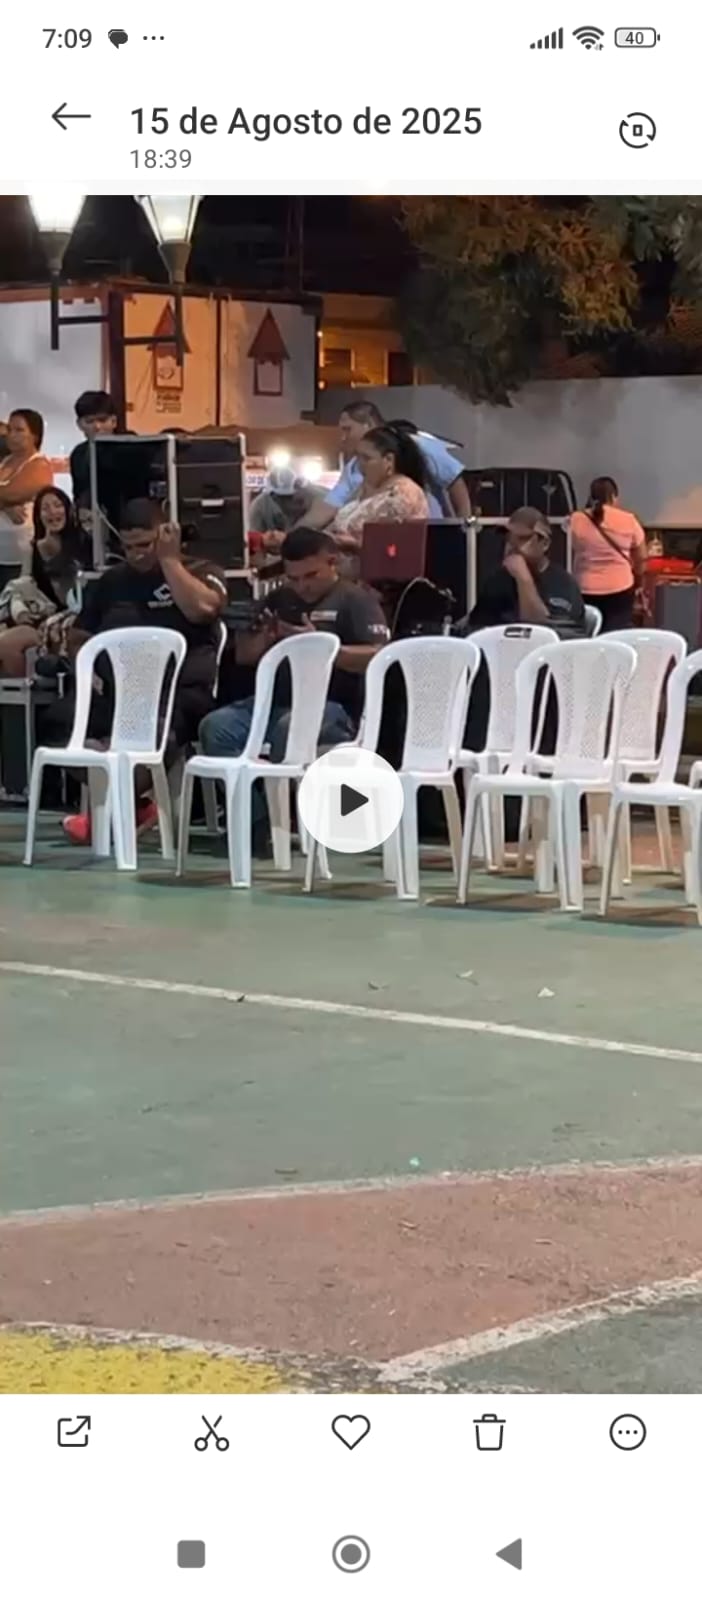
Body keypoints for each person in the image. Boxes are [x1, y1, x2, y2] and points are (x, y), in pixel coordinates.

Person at [59, 499, 227, 844]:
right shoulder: (111, 581)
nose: (136, 554)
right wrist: (87, 671)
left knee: (151, 732)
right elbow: (79, 636)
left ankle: (110, 815)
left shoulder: (201, 570)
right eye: (128, 547)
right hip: (118, 690)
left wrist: (169, 560)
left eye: (145, 545)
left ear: (165, 535)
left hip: (179, 691)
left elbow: (203, 610)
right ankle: (132, 806)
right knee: (60, 723)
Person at [199, 528, 390, 801]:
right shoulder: (281, 599)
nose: (302, 586)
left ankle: (288, 811)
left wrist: (323, 648)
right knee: (216, 727)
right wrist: (255, 634)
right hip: (275, 703)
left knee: (289, 728)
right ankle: (257, 815)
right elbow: (246, 658)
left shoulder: (355, 600)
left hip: (334, 707)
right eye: (293, 578)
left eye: (311, 576)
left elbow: (379, 656)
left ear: (332, 563)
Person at [301, 400, 471, 528]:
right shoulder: (353, 467)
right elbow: (329, 506)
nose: (343, 437)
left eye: (348, 429)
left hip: (425, 536)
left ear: (368, 425)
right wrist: (296, 535)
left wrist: (463, 530)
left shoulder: (415, 446)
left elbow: (454, 481)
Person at [0, 488, 83, 676]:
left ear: (68, 509)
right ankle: (27, 691)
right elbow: (20, 588)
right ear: (38, 515)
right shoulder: (32, 549)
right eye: (45, 508)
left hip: (74, 619)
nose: (53, 512)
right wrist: (20, 612)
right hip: (41, 618)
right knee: (5, 644)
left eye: (57, 505)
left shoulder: (84, 543)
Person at [467, 506, 586, 636]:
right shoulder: (497, 581)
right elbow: (474, 628)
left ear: (545, 544)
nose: (511, 546)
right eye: (508, 538)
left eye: (522, 539)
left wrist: (523, 579)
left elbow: (547, 634)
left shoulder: (563, 584)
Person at [330, 426, 430, 560]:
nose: (360, 465)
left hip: (380, 569)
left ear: (388, 460)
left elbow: (397, 549)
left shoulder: (403, 494)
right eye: (358, 457)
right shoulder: (365, 486)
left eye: (367, 458)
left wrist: (355, 546)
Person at [569, 476, 647, 631]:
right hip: (620, 587)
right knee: (615, 634)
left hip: (584, 587)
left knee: (588, 632)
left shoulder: (575, 519)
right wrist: (638, 580)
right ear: (613, 496)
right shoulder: (628, 520)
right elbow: (642, 558)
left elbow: (567, 550)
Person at [0, 409, 53, 584]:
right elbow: (7, 497)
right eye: (10, 430)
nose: (11, 435)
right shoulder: (4, 462)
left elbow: (14, 492)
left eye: (19, 430)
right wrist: (5, 506)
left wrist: (5, 502)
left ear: (35, 436)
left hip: (20, 556)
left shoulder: (39, 465)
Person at [249, 466, 321, 539]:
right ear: (271, 494)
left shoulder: (307, 496)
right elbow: (255, 539)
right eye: (280, 497)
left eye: (289, 497)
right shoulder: (259, 507)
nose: (284, 501)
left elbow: (327, 496)